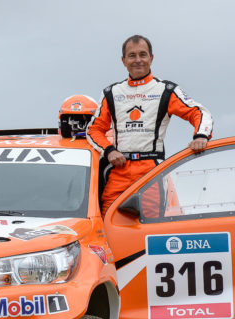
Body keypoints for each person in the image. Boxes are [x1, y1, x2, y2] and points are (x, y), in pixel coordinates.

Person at [87, 35, 213, 213]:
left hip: (150, 171)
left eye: (143, 55)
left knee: (148, 229)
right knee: (109, 224)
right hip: (119, 170)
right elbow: (94, 129)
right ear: (123, 60)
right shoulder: (112, 92)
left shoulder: (166, 90)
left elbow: (199, 112)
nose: (138, 60)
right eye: (132, 55)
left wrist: (201, 136)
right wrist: (109, 150)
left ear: (151, 58)